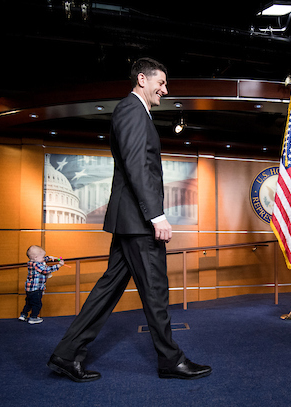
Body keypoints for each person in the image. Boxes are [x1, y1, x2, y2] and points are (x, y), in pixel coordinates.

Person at [47, 58, 211, 383]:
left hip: (129, 220)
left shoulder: (133, 112)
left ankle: (66, 354)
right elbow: (137, 166)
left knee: (108, 289)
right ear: (142, 79)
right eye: (161, 83)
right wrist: (157, 215)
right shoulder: (132, 110)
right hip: (138, 221)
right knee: (156, 292)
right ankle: (170, 360)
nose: (165, 89)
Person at [19, 245, 64, 324]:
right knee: (37, 304)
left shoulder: (31, 262)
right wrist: (58, 265)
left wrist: (49, 257)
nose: (44, 258)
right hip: (36, 289)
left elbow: (41, 259)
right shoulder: (37, 265)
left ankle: (23, 315)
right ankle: (33, 317)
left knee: (29, 302)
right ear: (36, 257)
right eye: (43, 257)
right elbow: (46, 270)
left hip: (29, 289)